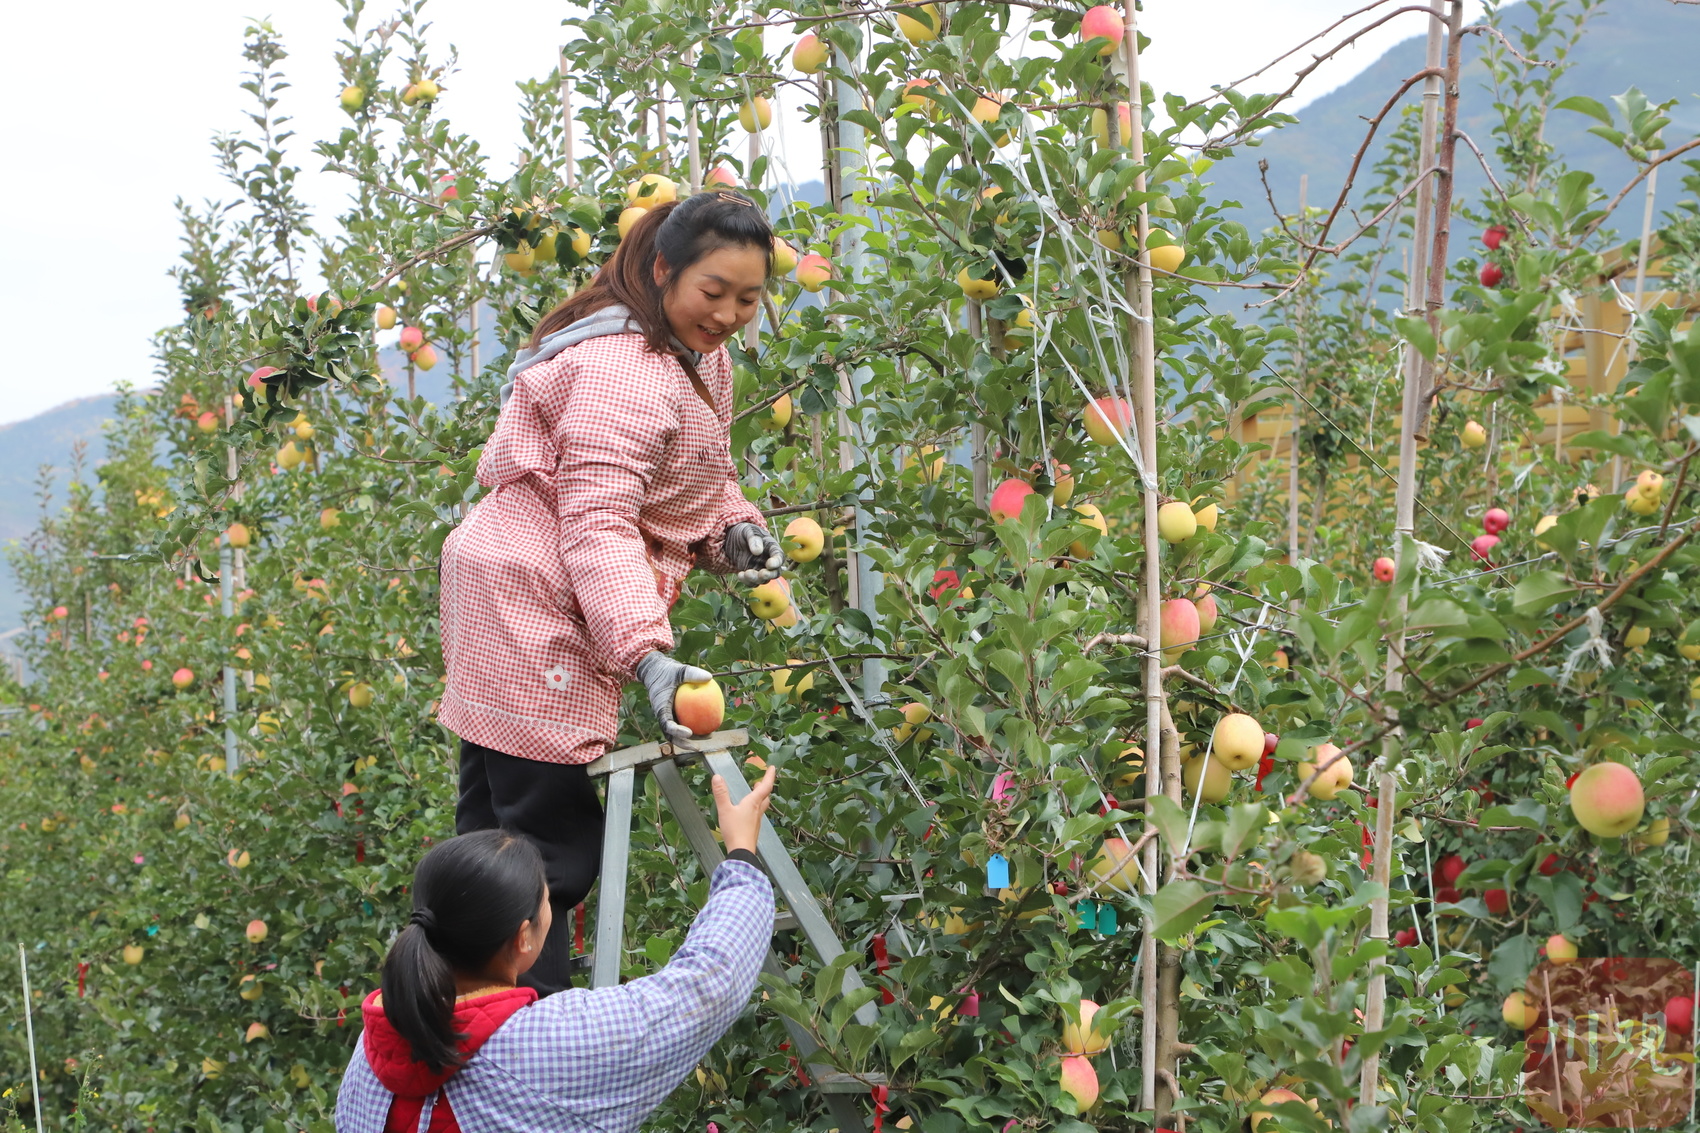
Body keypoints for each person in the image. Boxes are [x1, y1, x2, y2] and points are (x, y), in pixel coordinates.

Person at [437, 190, 786, 995]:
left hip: (514, 586)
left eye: (748, 298)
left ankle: (457, 1027)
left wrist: (732, 529)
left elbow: (696, 476)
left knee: (488, 840)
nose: (729, 315)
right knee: (541, 854)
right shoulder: (623, 371)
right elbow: (598, 521)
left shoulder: (695, 355)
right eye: (713, 291)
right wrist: (646, 654)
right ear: (663, 270)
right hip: (532, 602)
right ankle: (525, 1036)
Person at [336, 764, 779, 1132]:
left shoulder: (373, 1051)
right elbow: (706, 985)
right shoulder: (552, 1046)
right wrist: (741, 855)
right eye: (547, 900)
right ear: (523, 938)